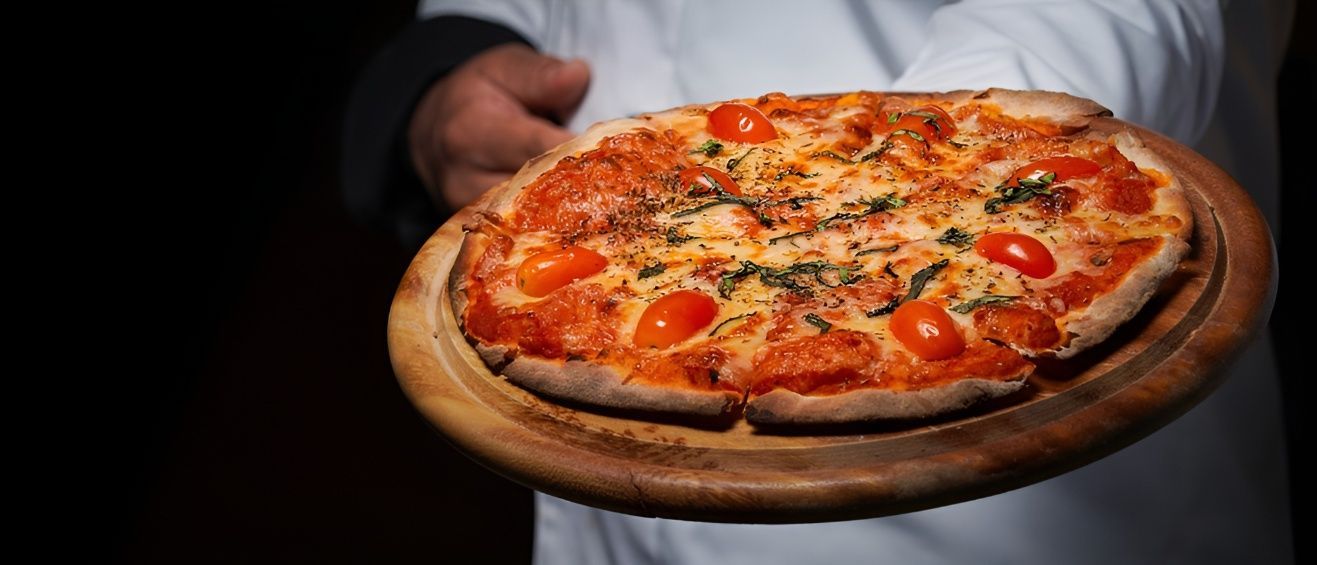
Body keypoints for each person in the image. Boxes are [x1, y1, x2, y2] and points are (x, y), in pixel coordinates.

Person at [343, 1, 1294, 563]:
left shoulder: (1028, 192)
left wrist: (948, 156)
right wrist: (447, 75)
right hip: (599, 289)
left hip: (1012, 508)